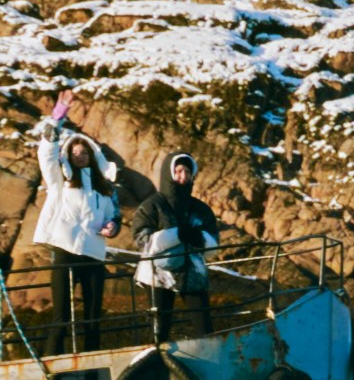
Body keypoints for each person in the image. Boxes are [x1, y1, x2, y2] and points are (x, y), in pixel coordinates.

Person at [32, 94, 121, 356]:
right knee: (61, 315)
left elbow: (114, 216)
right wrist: (58, 115)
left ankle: (94, 373)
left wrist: (113, 227)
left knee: (93, 318)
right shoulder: (61, 178)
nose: (80, 156)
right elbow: (46, 152)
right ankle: (50, 367)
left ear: (93, 157)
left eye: (85, 153)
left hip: (93, 254)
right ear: (69, 155)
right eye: (75, 152)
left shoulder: (105, 189)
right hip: (65, 251)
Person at [135, 149, 221, 342]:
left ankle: (208, 365)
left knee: (205, 329)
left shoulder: (200, 208)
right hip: (157, 274)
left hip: (193, 272)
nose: (183, 177)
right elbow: (142, 241)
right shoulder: (152, 205)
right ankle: (157, 366)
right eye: (179, 171)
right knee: (159, 331)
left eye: (188, 172)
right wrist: (177, 234)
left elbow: (214, 245)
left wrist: (201, 239)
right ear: (170, 172)